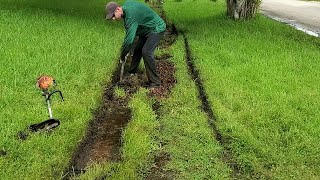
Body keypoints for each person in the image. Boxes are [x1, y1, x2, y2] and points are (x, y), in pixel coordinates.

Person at [105, 1, 166, 88]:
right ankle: (131, 72)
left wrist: (123, 55)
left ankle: (155, 82)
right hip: (146, 29)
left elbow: (129, 40)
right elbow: (131, 35)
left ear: (118, 9)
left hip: (156, 28)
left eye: (113, 15)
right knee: (137, 50)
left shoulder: (130, 17)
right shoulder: (127, 6)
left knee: (146, 52)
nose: (113, 19)